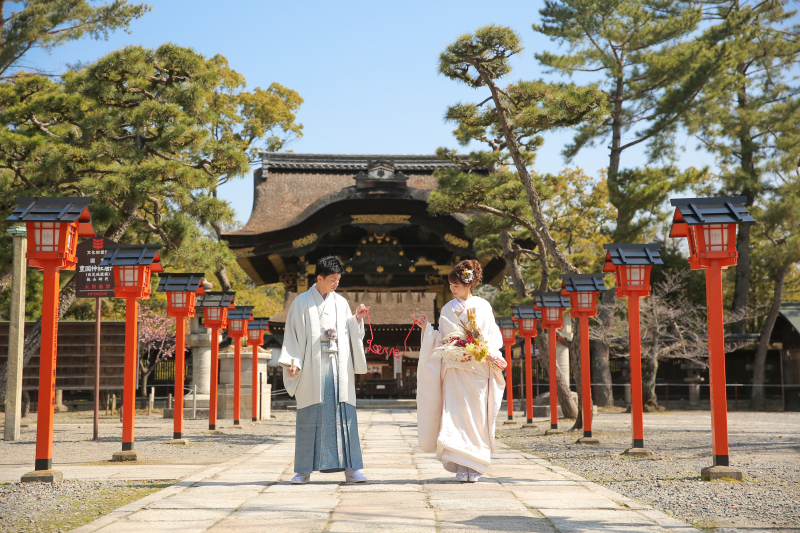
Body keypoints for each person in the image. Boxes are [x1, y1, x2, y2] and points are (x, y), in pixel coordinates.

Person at [278, 256, 371, 484]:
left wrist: (357, 320)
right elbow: (293, 335)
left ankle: (351, 469)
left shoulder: (340, 302)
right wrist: (293, 362)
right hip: (312, 366)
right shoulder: (301, 302)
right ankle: (303, 470)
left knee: (344, 416)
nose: (336, 284)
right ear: (319, 278)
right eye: (332, 279)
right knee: (310, 416)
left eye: (338, 279)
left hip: (339, 366)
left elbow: (350, 334)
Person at [415, 260, 507, 483]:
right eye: (450, 285)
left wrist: (488, 351)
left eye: (456, 285)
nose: (452, 289)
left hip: (478, 368)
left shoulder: (483, 306)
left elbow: (492, 336)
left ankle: (474, 463)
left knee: (476, 416)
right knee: (456, 415)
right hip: (455, 369)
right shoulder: (447, 308)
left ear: (469, 285)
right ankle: (460, 463)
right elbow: (442, 339)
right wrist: (426, 329)